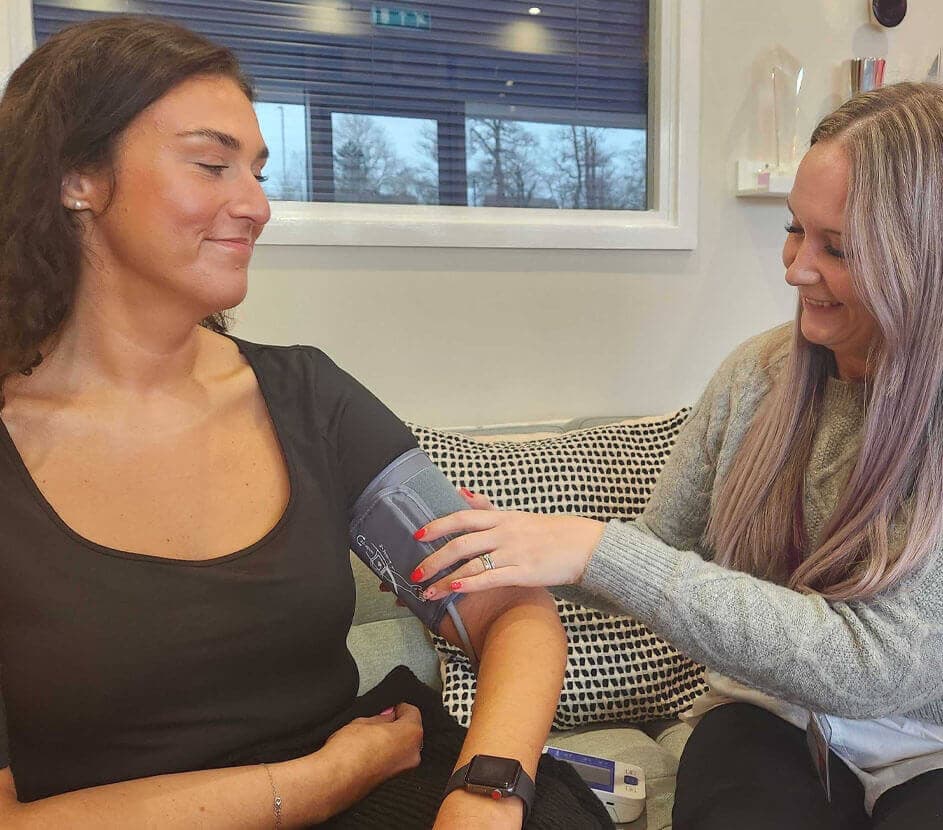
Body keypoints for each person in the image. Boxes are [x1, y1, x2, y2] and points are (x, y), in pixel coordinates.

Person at [415, 82, 943, 829]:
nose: (795, 268)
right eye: (795, 229)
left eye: (840, 247)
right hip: (780, 716)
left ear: (938, 257)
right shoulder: (757, 376)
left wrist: (594, 550)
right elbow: (658, 550)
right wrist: (515, 549)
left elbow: (878, 665)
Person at [0, 17, 577, 829]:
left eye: (258, 170)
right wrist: (321, 779)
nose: (257, 205)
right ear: (76, 177)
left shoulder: (307, 395)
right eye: (212, 164)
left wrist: (487, 790)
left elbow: (507, 606)